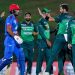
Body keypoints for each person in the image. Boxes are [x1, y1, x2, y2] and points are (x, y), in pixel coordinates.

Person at [38, 4, 73, 75]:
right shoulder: (71, 18)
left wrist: (43, 15)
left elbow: (50, 19)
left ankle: (47, 71)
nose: (60, 10)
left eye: (61, 9)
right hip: (69, 38)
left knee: (53, 54)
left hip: (60, 37)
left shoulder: (61, 16)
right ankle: (61, 72)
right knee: (70, 57)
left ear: (64, 9)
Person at [0, 4, 25, 75]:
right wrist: (15, 36)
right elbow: (8, 29)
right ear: (13, 11)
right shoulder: (10, 17)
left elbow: (15, 31)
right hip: (9, 40)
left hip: (14, 40)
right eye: (17, 10)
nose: (18, 11)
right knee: (8, 59)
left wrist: (19, 37)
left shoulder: (15, 19)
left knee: (21, 56)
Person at [36, 8, 53, 75]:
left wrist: (54, 31)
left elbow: (47, 31)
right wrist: (47, 41)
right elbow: (41, 32)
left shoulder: (45, 21)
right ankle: (38, 72)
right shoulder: (41, 21)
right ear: (44, 13)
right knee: (40, 58)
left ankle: (50, 72)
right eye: (47, 12)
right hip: (42, 41)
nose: (49, 14)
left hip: (46, 42)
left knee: (49, 58)